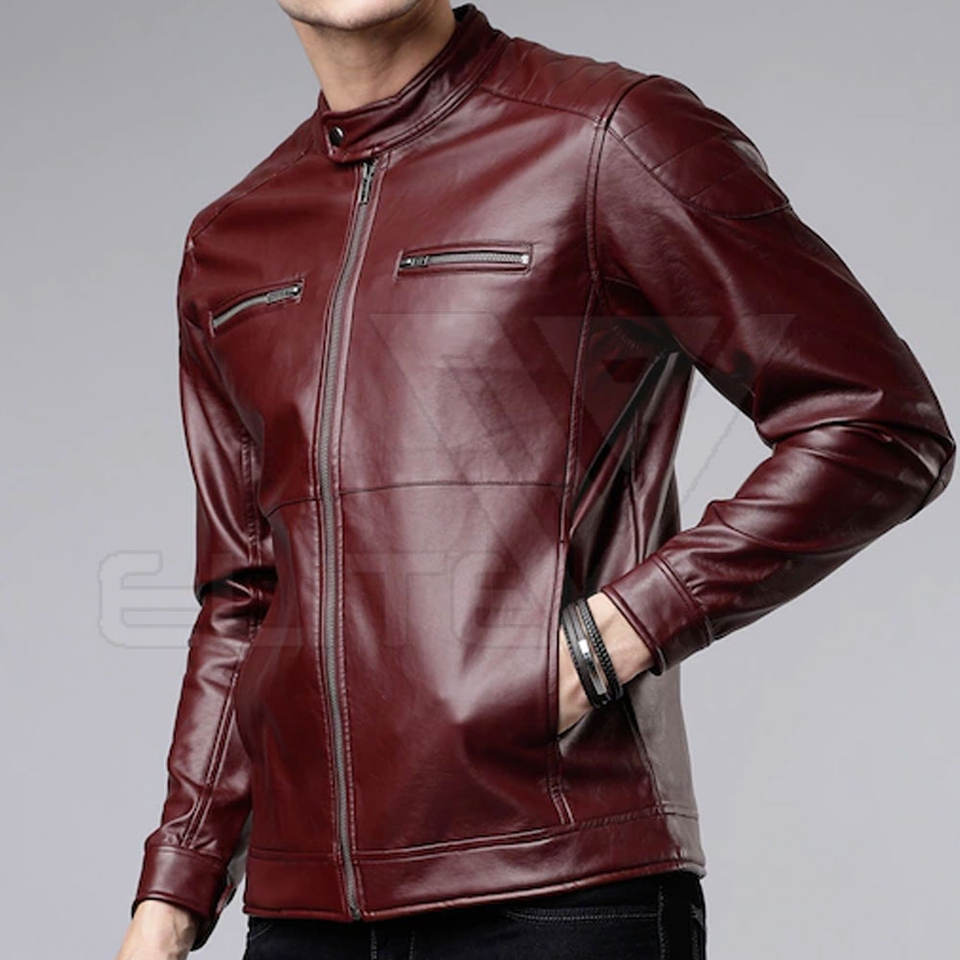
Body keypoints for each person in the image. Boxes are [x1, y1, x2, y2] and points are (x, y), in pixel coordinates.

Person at [114, 2, 955, 958]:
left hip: (557, 890)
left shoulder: (605, 139)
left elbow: (874, 420)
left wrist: (612, 638)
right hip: (303, 919)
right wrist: (171, 896)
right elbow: (247, 597)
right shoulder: (230, 243)